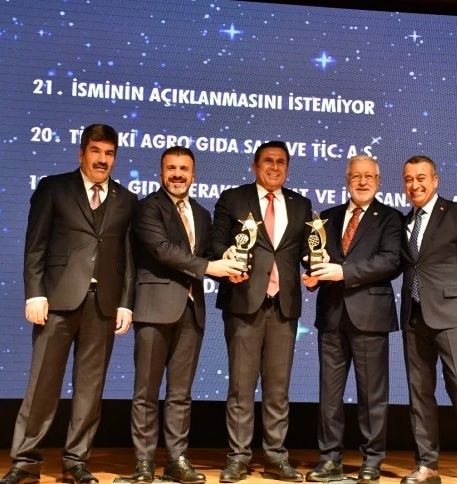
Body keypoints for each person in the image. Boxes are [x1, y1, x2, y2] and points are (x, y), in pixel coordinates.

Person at [0, 124, 138, 484]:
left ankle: (76, 462)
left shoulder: (126, 199)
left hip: (103, 306)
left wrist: (125, 303)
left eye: (109, 153)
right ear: (81, 153)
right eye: (96, 151)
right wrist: (34, 293)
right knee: (42, 384)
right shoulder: (54, 188)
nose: (102, 159)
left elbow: (128, 258)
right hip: (56, 302)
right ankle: (25, 462)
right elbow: (35, 246)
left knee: (90, 389)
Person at [129, 147, 243, 483]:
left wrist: (231, 264)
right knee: (146, 391)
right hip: (154, 309)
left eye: (184, 169)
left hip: (191, 311)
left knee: (180, 394)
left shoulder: (202, 214)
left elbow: (208, 255)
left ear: (194, 175)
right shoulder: (147, 207)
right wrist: (211, 267)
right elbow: (162, 250)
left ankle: (176, 460)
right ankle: (144, 462)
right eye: (171, 168)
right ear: (161, 172)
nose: (177, 174)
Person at [211, 141, 312, 483]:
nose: (274, 167)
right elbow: (216, 244)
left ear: (287, 168)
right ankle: (238, 457)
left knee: (278, 388)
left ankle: (276, 457)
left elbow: (307, 251)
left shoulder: (301, 204)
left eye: (281, 162)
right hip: (243, 302)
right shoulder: (233, 199)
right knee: (241, 387)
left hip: (283, 306)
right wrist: (227, 258)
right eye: (268, 161)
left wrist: (316, 266)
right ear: (254, 166)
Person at [302, 155, 402, 484]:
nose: (362, 182)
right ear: (347, 179)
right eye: (356, 176)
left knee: (372, 395)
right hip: (332, 316)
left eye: (368, 176)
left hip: (370, 317)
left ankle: (372, 460)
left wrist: (342, 272)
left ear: (378, 181)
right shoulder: (326, 218)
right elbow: (314, 257)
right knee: (329, 396)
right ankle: (329, 459)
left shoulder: (390, 218)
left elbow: (390, 262)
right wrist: (313, 274)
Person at [399, 156, 457, 484]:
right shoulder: (404, 222)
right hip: (414, 318)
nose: (415, 185)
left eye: (421, 178)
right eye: (409, 179)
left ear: (435, 180)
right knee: (419, 393)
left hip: (453, 318)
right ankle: (427, 465)